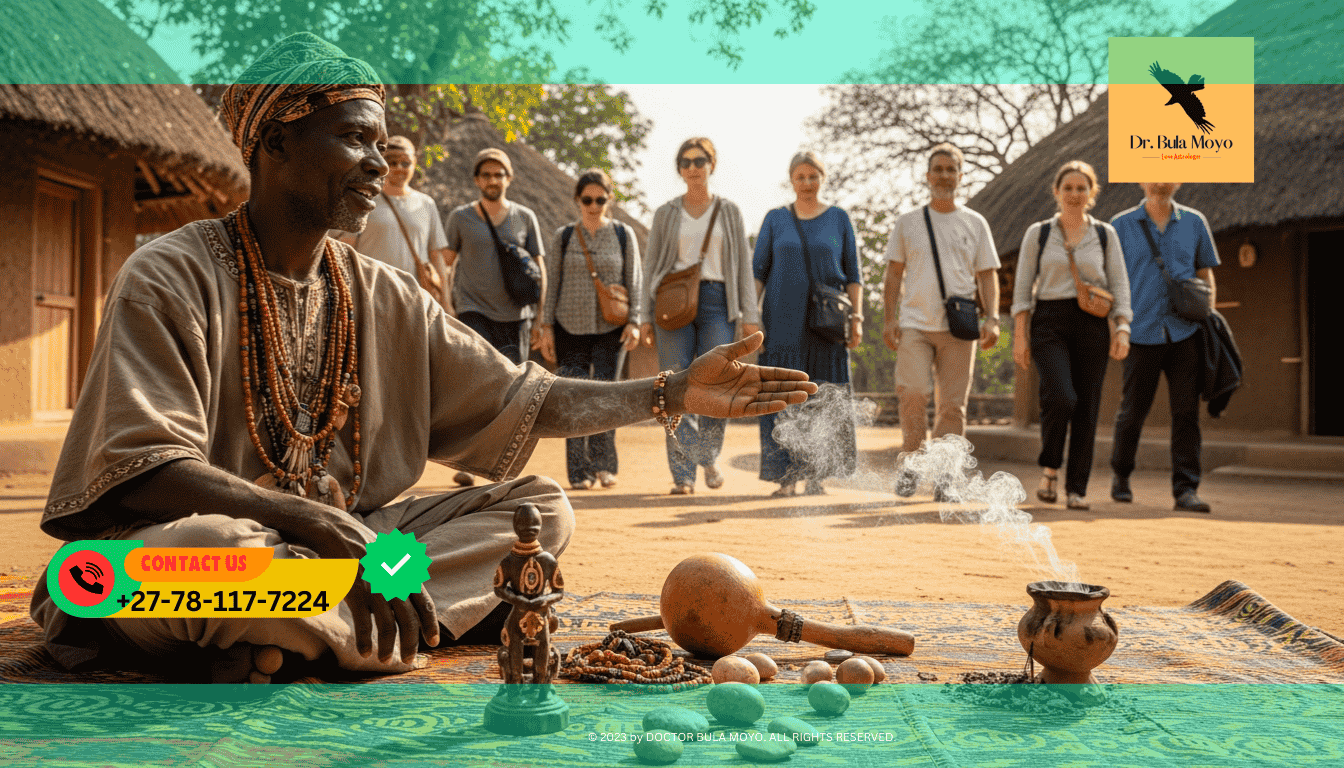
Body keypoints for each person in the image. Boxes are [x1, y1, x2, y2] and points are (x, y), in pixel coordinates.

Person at [28, 34, 818, 684]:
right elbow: (140, 467)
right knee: (211, 556)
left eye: (381, 142)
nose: (379, 162)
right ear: (274, 142)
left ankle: (302, 635)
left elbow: (528, 399)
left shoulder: (383, 292)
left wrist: (672, 390)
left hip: (352, 555)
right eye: (353, 138)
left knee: (540, 512)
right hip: (189, 560)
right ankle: (357, 630)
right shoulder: (169, 273)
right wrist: (307, 517)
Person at [639, 138, 761, 495]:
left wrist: (749, 313)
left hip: (718, 301)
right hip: (672, 300)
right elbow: (651, 267)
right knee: (673, 385)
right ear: (679, 168)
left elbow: (742, 263)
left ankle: (708, 454)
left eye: (700, 159)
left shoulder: (730, 211)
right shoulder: (665, 213)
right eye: (686, 161)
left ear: (712, 164)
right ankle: (684, 474)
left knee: (716, 381)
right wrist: (645, 314)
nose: (693, 166)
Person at [1011, 161, 1132, 510]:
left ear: (1091, 193)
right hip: (1048, 320)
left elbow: (1120, 284)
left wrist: (1122, 326)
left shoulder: (1106, 235)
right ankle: (1050, 466)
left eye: (1082, 188)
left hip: (1092, 323)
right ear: (1056, 192)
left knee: (1087, 407)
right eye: (1068, 188)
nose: (1075, 194)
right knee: (1061, 396)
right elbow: (1022, 287)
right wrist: (1020, 334)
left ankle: (1076, 488)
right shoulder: (1039, 233)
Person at [882, 143, 1001, 497]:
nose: (944, 175)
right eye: (938, 169)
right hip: (915, 324)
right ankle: (912, 463)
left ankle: (946, 476)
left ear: (961, 176)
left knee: (952, 405)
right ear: (927, 175)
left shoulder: (975, 222)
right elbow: (893, 276)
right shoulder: (908, 222)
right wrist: (890, 320)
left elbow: (987, 275)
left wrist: (992, 318)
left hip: (959, 327)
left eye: (951, 169)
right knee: (913, 393)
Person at [752, 151, 862, 497]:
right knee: (783, 398)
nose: (807, 183)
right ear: (791, 180)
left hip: (827, 327)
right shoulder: (775, 219)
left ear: (823, 178)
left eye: (813, 176)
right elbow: (757, 274)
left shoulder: (839, 219)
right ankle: (786, 477)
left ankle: (817, 476)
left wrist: (856, 319)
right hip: (782, 324)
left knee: (824, 399)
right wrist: (752, 319)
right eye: (800, 177)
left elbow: (854, 276)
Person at [1108, 182, 1220, 513]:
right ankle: (1121, 476)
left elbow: (1205, 275)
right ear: (1141, 180)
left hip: (1185, 334)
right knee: (1133, 411)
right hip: (1139, 331)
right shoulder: (1121, 224)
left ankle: (1186, 490)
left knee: (1186, 413)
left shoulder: (1195, 222)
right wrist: (1117, 328)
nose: (1160, 181)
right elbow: (1111, 279)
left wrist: (1208, 315)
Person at [538, 169, 644, 491]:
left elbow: (634, 280)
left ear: (610, 199)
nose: (594, 205)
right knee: (573, 398)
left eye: (601, 199)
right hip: (569, 326)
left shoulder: (624, 235)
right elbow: (551, 283)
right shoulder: (564, 237)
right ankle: (578, 471)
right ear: (577, 200)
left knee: (607, 396)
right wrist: (546, 327)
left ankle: (605, 465)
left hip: (612, 328)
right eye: (588, 199)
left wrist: (636, 321)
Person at [444, 147, 545, 366]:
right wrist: (447, 306)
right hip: (473, 311)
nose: (493, 180)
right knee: (475, 376)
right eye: (486, 175)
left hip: (517, 316)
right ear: (477, 180)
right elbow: (446, 265)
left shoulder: (523, 217)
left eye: (499, 175)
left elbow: (540, 268)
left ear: (509, 179)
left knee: (512, 382)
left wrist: (540, 318)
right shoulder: (460, 217)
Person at [335, 135, 449, 306]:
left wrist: (447, 302)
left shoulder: (426, 204)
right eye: (392, 162)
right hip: (371, 296)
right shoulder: (365, 198)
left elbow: (436, 254)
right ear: (382, 162)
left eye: (406, 163)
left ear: (414, 163)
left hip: (416, 299)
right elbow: (346, 246)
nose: (399, 168)